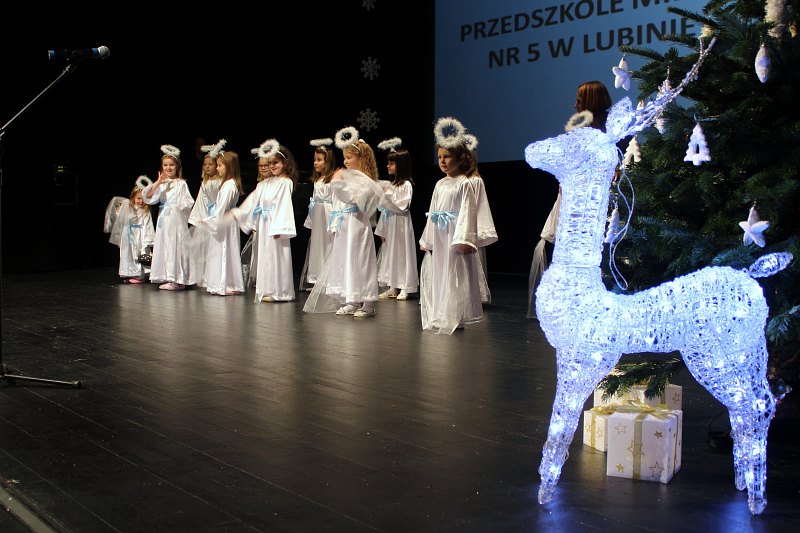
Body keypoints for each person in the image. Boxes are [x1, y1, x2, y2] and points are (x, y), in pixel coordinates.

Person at [527, 80, 613, 317]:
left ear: (590, 101)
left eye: (579, 99)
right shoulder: (579, 132)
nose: (575, 104)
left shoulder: (611, 132)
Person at [303, 126, 383, 318]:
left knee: (359, 261)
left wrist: (338, 183)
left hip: (357, 225)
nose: (345, 161)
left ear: (361, 159)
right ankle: (351, 299)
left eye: (349, 157)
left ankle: (368, 302)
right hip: (344, 225)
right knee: (346, 261)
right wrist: (334, 223)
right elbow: (338, 202)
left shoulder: (365, 179)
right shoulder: (348, 177)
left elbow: (355, 199)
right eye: (344, 158)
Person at [419, 117, 487, 334]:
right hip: (441, 234)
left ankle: (455, 314)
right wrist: (428, 238)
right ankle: (441, 312)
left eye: (447, 156)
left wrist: (465, 239)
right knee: (440, 272)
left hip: (454, 233)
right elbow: (433, 212)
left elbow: (468, 212)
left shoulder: (464, 183)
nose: (442, 161)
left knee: (455, 272)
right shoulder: (440, 184)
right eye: (440, 157)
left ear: (460, 158)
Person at [229, 139, 297, 303]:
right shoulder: (265, 183)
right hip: (265, 224)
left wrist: (280, 228)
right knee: (266, 257)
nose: (272, 166)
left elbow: (284, 205)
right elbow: (254, 202)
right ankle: (268, 289)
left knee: (277, 256)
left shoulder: (285, 182)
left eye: (276, 162)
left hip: (275, 225)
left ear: (285, 163)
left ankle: (280, 292)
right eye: (270, 163)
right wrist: (241, 215)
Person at [193, 146, 246, 296]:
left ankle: (223, 283)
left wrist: (208, 221)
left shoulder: (229, 185)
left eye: (220, 165)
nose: (217, 168)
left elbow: (221, 208)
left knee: (223, 251)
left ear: (229, 167)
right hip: (226, 221)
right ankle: (228, 282)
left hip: (224, 222)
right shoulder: (228, 184)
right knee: (226, 251)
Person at [142, 144, 195, 290]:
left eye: (171, 165)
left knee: (176, 245)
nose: (168, 168)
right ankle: (168, 276)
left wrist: (178, 206)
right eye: (165, 165)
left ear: (177, 166)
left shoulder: (181, 183)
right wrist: (158, 182)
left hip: (175, 218)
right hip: (164, 219)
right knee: (165, 246)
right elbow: (148, 197)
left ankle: (177, 278)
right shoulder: (162, 184)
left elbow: (189, 201)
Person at [374, 137, 419, 300]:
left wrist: (388, 195)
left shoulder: (406, 185)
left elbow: (403, 206)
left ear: (401, 165)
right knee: (391, 254)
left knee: (402, 253)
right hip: (391, 224)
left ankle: (405, 286)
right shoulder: (392, 185)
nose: (388, 166)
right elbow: (384, 209)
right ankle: (392, 285)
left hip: (401, 224)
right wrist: (382, 229)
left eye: (391, 163)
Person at [298, 137, 337, 292]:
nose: (315, 163)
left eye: (319, 160)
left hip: (328, 214)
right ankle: (317, 280)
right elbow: (313, 202)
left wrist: (335, 222)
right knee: (317, 246)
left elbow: (336, 201)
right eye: (315, 160)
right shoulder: (318, 180)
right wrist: (311, 220)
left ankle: (328, 281)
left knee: (328, 245)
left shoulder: (333, 180)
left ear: (328, 161)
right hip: (318, 216)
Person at [188, 139, 224, 288]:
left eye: (211, 164)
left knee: (215, 248)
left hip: (217, 216)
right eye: (205, 164)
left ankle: (215, 276)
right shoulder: (205, 182)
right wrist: (199, 218)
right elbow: (201, 201)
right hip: (206, 216)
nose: (207, 167)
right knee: (203, 249)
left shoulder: (221, 181)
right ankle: (204, 276)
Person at [106, 176, 156, 283]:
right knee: (128, 254)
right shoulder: (128, 208)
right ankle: (129, 273)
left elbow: (148, 226)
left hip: (140, 235)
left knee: (139, 254)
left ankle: (140, 275)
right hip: (128, 235)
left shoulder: (146, 212)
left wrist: (147, 240)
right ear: (133, 198)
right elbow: (119, 216)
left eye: (143, 199)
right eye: (138, 198)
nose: (141, 201)